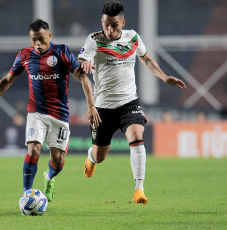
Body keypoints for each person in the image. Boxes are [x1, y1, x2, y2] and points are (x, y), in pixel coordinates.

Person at [0, 19, 101, 202]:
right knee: (33, 150)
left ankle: (49, 178)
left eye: (41, 39)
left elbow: (84, 78)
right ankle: (27, 194)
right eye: (34, 40)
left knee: (57, 160)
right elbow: (7, 81)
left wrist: (91, 105)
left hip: (60, 114)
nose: (38, 44)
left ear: (49, 36)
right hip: (36, 112)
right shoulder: (24, 55)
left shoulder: (62, 52)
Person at [78, 0, 186, 205]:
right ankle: (91, 159)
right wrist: (85, 65)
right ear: (102, 22)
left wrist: (164, 77)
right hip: (103, 107)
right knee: (100, 156)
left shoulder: (133, 37)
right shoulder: (94, 40)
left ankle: (139, 190)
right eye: (106, 24)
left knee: (136, 135)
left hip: (129, 103)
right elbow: (84, 63)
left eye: (114, 25)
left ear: (123, 23)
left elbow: (145, 58)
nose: (109, 30)